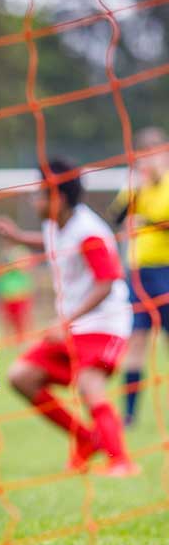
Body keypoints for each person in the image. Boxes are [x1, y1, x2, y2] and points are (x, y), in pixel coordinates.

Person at [0, 159, 137, 476]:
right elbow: (53, 244)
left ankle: (122, 462)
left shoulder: (89, 233)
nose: (34, 200)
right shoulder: (55, 225)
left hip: (104, 324)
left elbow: (108, 279)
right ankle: (87, 439)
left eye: (40, 194)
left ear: (56, 198)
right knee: (21, 376)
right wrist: (19, 238)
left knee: (89, 384)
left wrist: (66, 320)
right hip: (73, 326)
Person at [108, 127, 169, 426]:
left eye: (155, 153)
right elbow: (117, 216)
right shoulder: (136, 184)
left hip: (167, 272)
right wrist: (137, 187)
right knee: (136, 341)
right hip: (138, 274)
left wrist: (150, 222)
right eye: (144, 155)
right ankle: (130, 415)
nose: (150, 160)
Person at [0, 238, 35, 343]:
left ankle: (25, 339)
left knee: (22, 319)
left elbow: (25, 266)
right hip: (5, 293)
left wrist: (12, 264)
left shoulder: (21, 251)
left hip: (21, 292)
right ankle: (11, 341)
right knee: (7, 320)